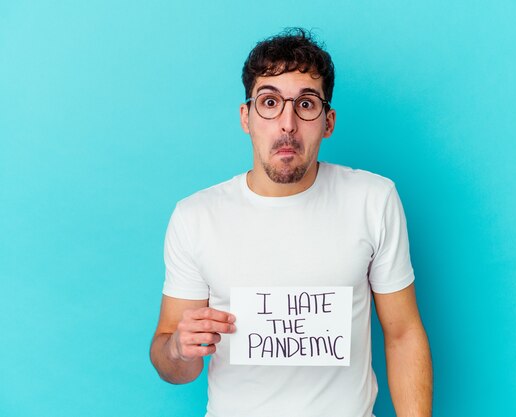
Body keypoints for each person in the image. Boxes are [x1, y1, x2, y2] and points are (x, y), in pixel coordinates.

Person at [150, 28, 433, 417]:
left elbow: (403, 334)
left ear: (328, 121)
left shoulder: (373, 199)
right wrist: (179, 348)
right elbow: (173, 366)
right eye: (269, 102)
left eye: (305, 104)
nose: (287, 123)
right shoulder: (196, 217)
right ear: (246, 118)